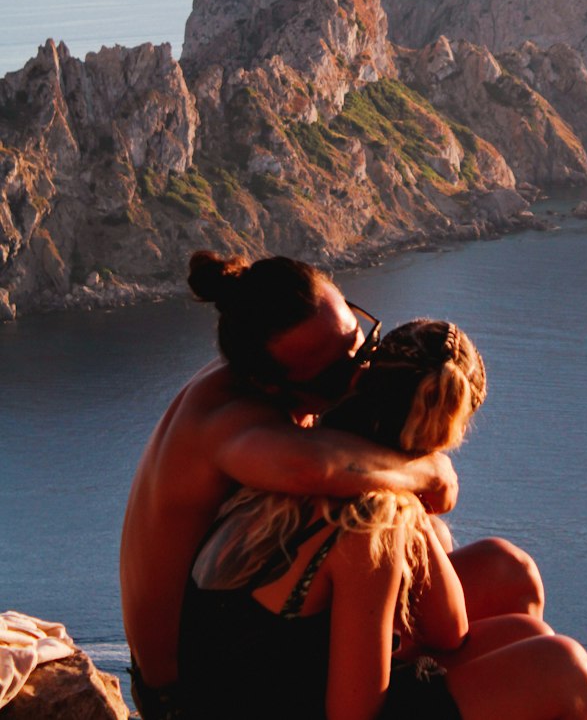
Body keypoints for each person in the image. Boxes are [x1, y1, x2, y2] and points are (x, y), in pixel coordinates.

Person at [121, 252, 542, 720]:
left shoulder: (278, 381)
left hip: (269, 634)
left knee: (509, 576)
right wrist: (430, 473)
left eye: (362, 344)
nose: (361, 373)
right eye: (338, 375)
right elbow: (312, 467)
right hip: (199, 692)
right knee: (550, 672)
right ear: (269, 384)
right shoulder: (227, 421)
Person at [179, 318, 587, 720]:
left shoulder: (305, 447)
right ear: (440, 437)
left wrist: (410, 507)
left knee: (525, 630)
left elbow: (448, 629)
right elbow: (356, 712)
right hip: (270, 702)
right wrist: (409, 498)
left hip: (248, 684)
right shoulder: (366, 524)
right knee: (568, 673)